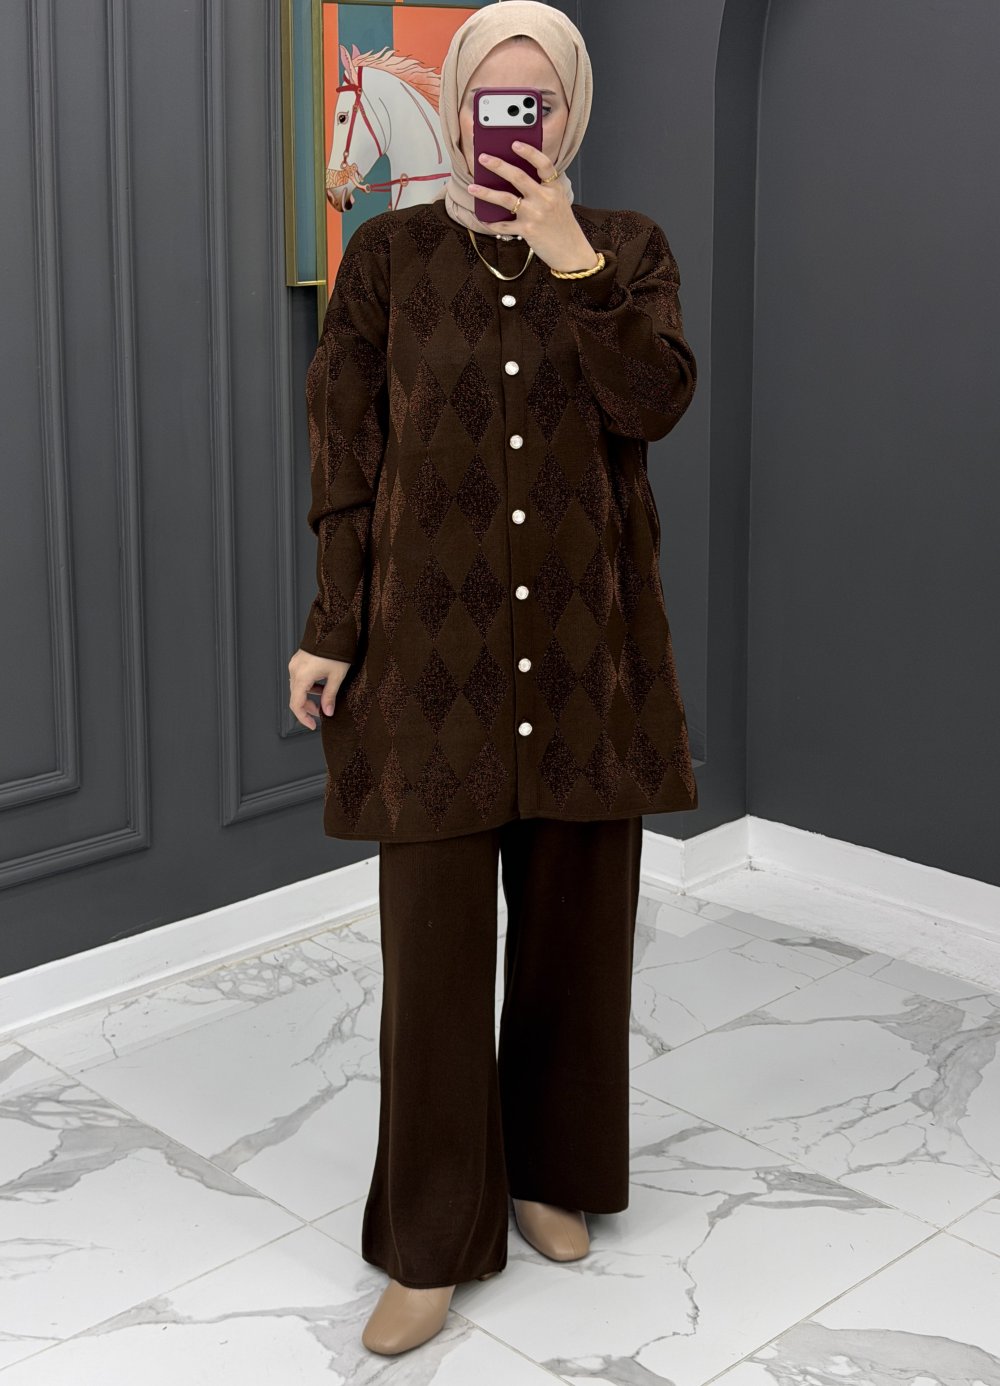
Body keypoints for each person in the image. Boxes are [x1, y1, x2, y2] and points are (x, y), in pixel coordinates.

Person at [288, 0, 699, 1357]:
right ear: (460, 105)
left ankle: (549, 1176)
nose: (510, 122)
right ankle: (430, 1237)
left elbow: (654, 401)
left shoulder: (628, 249)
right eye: (488, 98)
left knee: (578, 943)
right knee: (435, 964)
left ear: (570, 115)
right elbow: (348, 455)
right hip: (430, 671)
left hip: (587, 662)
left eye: (540, 101)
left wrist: (575, 259)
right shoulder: (390, 257)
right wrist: (331, 625)